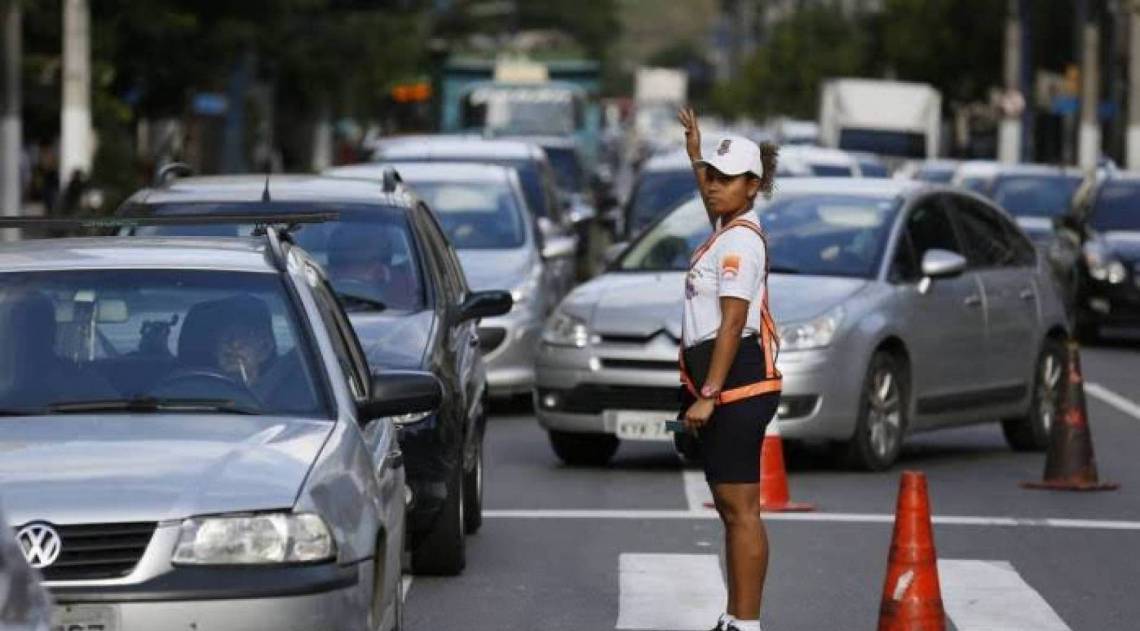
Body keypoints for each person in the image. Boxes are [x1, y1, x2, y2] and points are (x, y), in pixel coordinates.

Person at [676, 108, 781, 631]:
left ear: (753, 186)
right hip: (726, 384)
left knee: (741, 512)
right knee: (729, 507)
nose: (714, 186)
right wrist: (696, 155)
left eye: (726, 178)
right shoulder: (730, 226)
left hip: (736, 385)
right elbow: (711, 198)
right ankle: (735, 616)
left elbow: (733, 321)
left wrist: (709, 393)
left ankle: (747, 623)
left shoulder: (740, 241)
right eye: (711, 177)